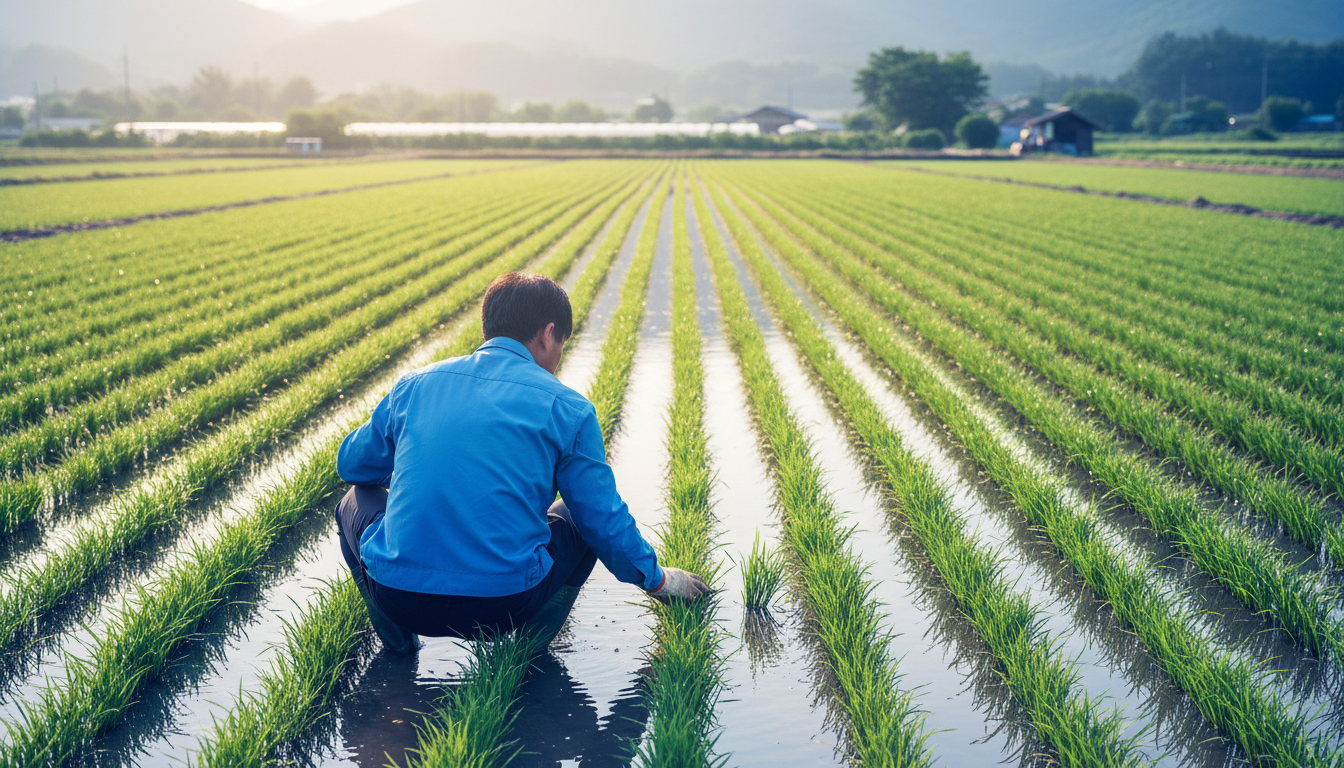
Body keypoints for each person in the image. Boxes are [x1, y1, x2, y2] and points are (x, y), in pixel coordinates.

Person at [334, 271, 711, 654]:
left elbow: (352, 465)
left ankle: (398, 645)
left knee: (354, 499)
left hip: (397, 595)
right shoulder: (568, 408)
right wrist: (657, 580)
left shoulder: (414, 385)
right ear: (548, 334)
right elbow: (602, 519)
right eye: (561, 343)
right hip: (504, 605)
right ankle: (528, 654)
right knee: (578, 514)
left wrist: (414, 465)